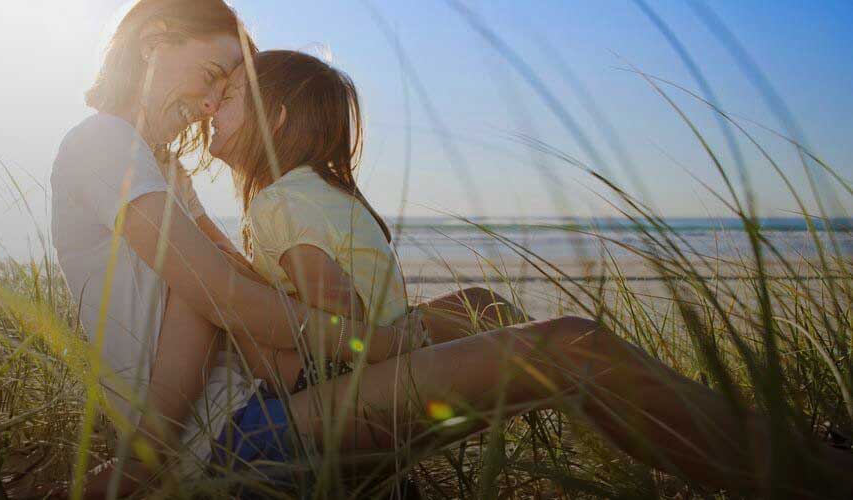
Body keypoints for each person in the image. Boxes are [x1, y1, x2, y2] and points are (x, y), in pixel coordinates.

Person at [197, 48, 853, 496]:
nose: (209, 111)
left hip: (348, 378)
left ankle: (783, 459)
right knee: (569, 343)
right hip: (321, 402)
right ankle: (797, 461)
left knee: (487, 308)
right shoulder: (311, 191)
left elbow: (341, 322)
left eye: (225, 100)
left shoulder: (280, 200)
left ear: (274, 120)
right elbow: (345, 326)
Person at [49, 1, 430, 497]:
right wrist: (375, 344)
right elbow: (218, 295)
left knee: (478, 318)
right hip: (226, 433)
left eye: (223, 92)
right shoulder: (102, 141)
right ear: (153, 41)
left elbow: (237, 273)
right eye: (210, 76)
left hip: (261, 398)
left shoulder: (165, 171)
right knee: (524, 354)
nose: (210, 105)